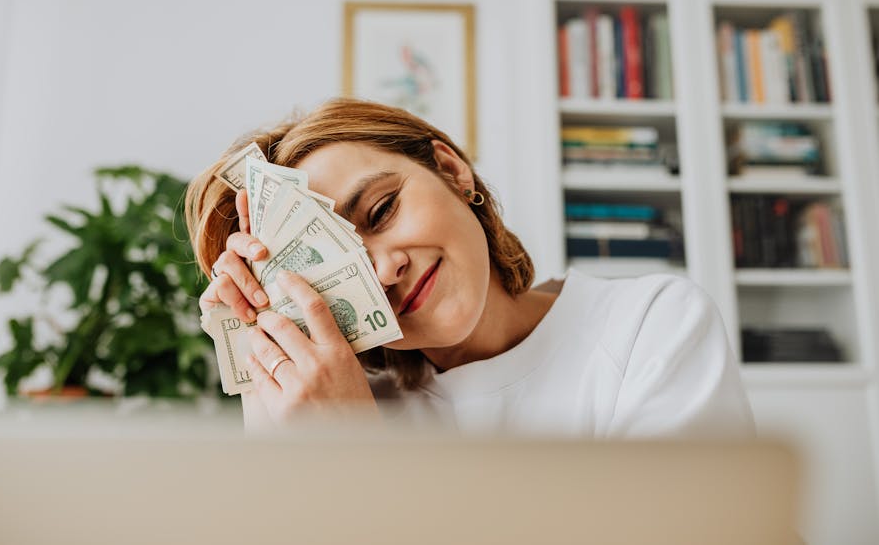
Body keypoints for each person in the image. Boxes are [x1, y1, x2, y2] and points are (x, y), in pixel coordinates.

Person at [185, 98, 755, 437]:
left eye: (382, 211)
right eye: (336, 262)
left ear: (453, 171)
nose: (383, 270)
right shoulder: (343, 407)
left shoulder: (648, 325)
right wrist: (265, 401)